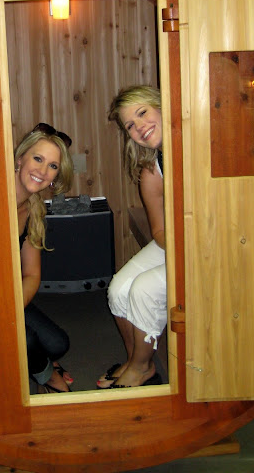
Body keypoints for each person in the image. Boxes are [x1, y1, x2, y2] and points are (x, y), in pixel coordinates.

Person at [97, 85, 166, 389]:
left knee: (144, 289)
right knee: (118, 288)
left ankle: (139, 368)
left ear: (162, 106)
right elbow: (160, 231)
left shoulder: (201, 147)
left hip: (214, 245)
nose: (139, 127)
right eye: (130, 125)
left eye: (142, 113)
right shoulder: (152, 170)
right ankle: (137, 360)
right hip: (177, 242)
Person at [15, 123, 75, 393]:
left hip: (6, 297)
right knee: (26, 341)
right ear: (20, 158)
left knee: (58, 343)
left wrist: (12, 310)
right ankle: (48, 376)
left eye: (52, 166)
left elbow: (31, 275)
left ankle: (39, 362)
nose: (42, 171)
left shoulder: (33, 210)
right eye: (37, 159)